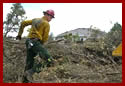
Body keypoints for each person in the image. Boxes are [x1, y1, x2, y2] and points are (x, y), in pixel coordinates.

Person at [16, 9, 55, 83]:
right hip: (36, 43)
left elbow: (23, 23)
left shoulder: (35, 20)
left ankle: (25, 82)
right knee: (50, 60)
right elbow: (45, 37)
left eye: (52, 18)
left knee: (29, 64)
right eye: (51, 17)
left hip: (28, 42)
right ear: (46, 15)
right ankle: (31, 72)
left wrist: (19, 35)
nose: (51, 19)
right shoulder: (46, 23)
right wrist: (41, 45)